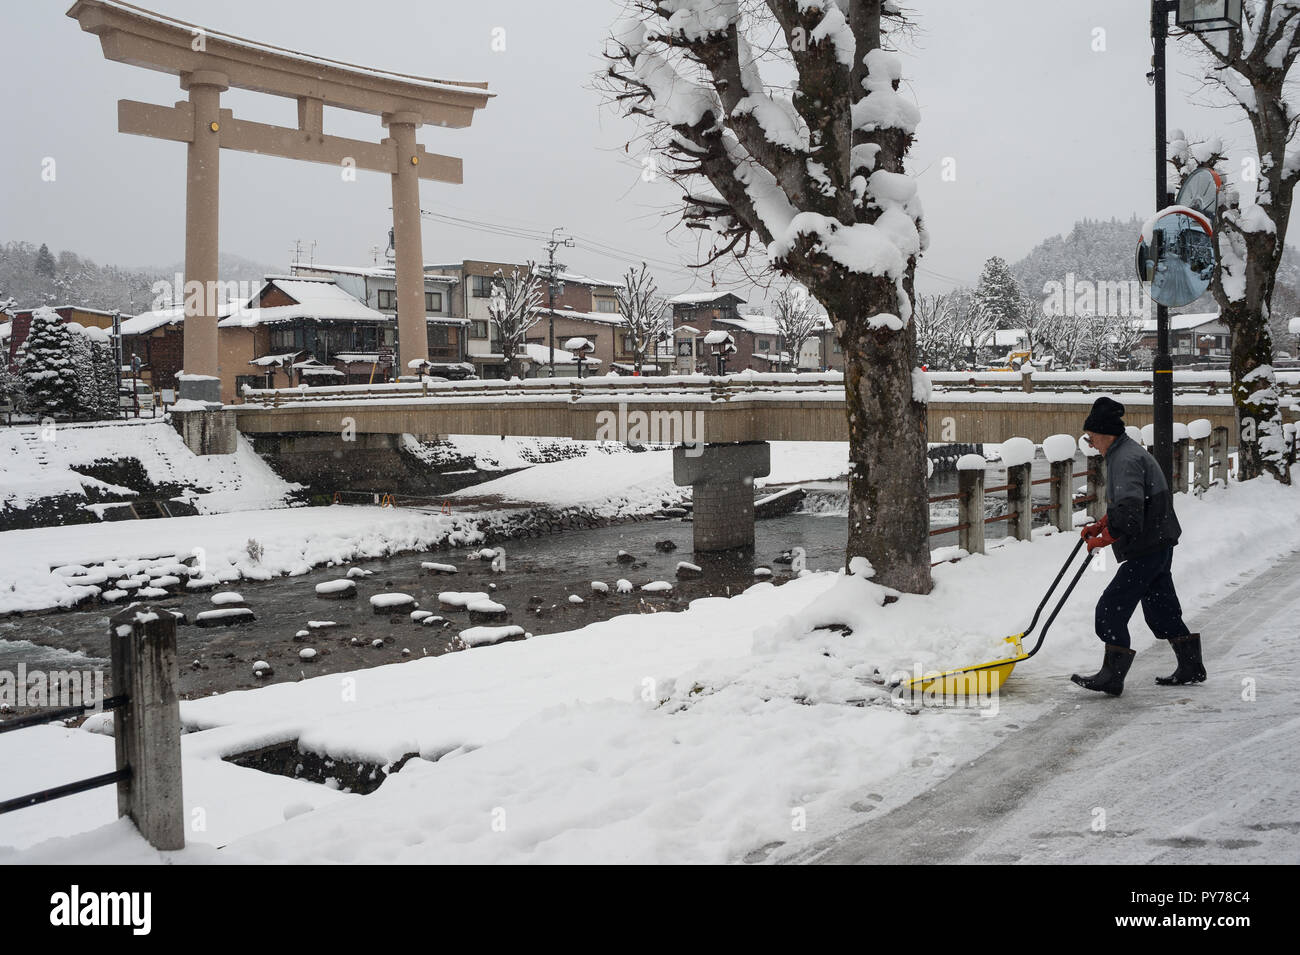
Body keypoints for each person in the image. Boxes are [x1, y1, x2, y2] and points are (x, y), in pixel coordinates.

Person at [1071, 396, 1206, 696]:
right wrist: (1103, 522)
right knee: (1161, 608)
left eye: (1090, 437)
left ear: (1105, 434)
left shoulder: (1125, 459)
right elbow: (1130, 503)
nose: (1090, 444)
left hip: (1147, 545)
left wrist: (1103, 539)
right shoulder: (1126, 452)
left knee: (1110, 610)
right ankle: (1191, 666)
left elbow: (1131, 515)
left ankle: (1112, 676)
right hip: (1158, 540)